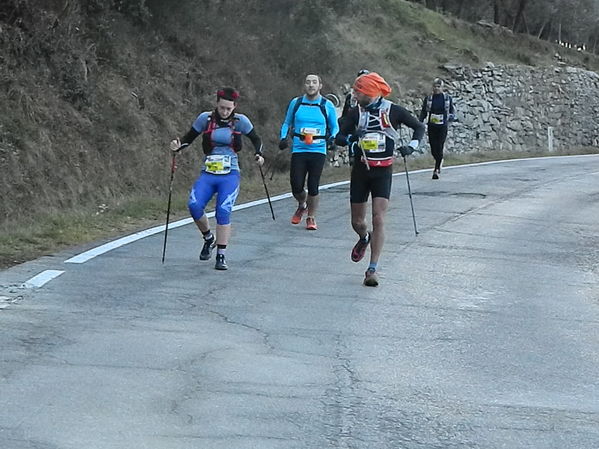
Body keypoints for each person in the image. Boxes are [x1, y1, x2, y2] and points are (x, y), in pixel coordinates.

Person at [335, 72, 425, 287]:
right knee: (357, 221)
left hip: (383, 171)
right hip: (360, 170)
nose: (355, 95)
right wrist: (350, 141)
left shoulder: (394, 111)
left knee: (379, 218)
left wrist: (411, 147)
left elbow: (419, 127)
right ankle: (364, 237)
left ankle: (372, 269)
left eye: (359, 91)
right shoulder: (355, 113)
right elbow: (338, 136)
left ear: (371, 92)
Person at [170, 87, 264, 270]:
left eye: (229, 109)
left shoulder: (240, 121)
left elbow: (256, 139)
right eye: (222, 108)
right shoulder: (205, 119)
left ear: (234, 107)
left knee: (223, 210)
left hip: (230, 174)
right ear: (217, 104)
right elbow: (189, 138)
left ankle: (221, 255)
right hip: (209, 172)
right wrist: (177, 147)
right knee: (194, 205)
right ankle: (208, 238)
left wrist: (259, 154)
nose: (225, 112)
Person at [279, 74, 339, 230]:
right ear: (304, 85)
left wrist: (332, 138)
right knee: (296, 185)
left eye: (314, 82)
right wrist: (283, 138)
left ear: (320, 85)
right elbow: (287, 122)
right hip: (299, 149)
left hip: (318, 149)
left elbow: (335, 126)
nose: (311, 85)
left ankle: (311, 217)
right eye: (308, 82)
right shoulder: (296, 103)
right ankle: (302, 204)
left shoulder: (327, 105)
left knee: (313, 185)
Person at [418, 78, 456, 179]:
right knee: (433, 148)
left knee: (440, 145)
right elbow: (424, 112)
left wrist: (451, 117)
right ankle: (439, 159)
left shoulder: (447, 98)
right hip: (432, 125)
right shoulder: (429, 98)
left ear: (442, 88)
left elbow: (452, 111)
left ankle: (436, 169)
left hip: (443, 125)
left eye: (439, 87)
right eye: (435, 86)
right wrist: (419, 122)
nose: (436, 88)